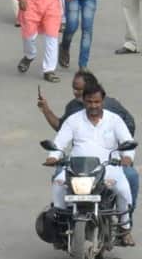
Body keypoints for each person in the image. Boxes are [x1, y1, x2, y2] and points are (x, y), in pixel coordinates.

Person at [44, 82, 134, 243]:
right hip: (77, 168)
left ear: (103, 101)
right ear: (84, 101)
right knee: (58, 184)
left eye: (97, 102)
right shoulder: (73, 120)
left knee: (123, 188)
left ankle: (124, 229)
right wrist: (53, 156)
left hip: (108, 168)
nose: (93, 105)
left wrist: (127, 157)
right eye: (90, 102)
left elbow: (127, 140)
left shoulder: (114, 120)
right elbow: (59, 142)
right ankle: (61, 225)